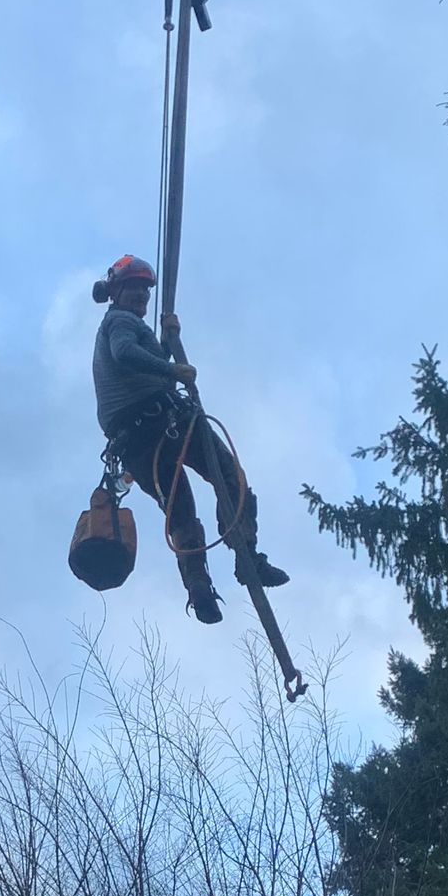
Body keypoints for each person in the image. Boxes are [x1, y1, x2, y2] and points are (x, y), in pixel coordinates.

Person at [89, 254, 288, 624]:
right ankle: (247, 557)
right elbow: (125, 353)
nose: (141, 297)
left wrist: (168, 342)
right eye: (134, 288)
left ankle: (199, 585)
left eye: (146, 292)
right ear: (116, 291)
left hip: (138, 440)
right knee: (229, 476)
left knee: (181, 511)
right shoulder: (118, 321)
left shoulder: (128, 325)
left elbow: (142, 362)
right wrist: (172, 367)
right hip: (165, 422)